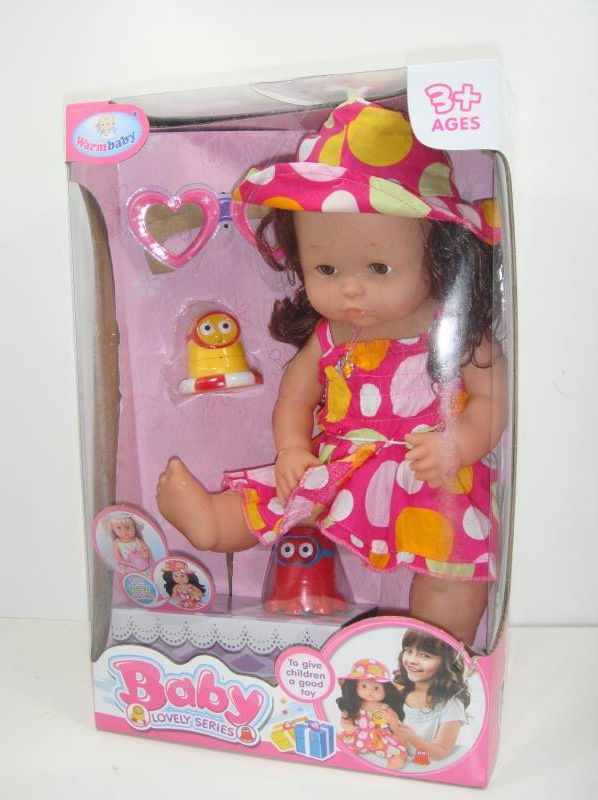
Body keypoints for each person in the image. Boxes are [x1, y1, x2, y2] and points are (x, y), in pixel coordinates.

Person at [156, 98, 506, 644]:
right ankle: (212, 522)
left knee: (453, 558)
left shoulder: (456, 329)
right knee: (278, 492)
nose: (350, 289)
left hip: (429, 466)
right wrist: (293, 449)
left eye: (378, 268)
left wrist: (460, 443)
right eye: (325, 268)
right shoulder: (331, 336)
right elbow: (295, 397)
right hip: (341, 460)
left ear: (439, 254)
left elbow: (494, 397)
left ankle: (436, 643)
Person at [390, 629, 470, 763]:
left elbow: (441, 752)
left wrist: (412, 738)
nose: (412, 660)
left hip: (428, 767)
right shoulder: (399, 692)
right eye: (408, 651)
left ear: (445, 662)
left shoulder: (451, 704)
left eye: (425, 655)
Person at [336, 658, 407, 770]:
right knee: (345, 747)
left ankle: (393, 765)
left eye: (376, 688)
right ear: (355, 686)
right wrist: (348, 726)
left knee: (398, 751)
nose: (370, 692)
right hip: (358, 733)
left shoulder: (385, 707)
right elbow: (345, 717)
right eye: (364, 686)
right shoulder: (355, 705)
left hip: (381, 736)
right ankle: (349, 760)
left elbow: (395, 721)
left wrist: (390, 721)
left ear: (386, 690)